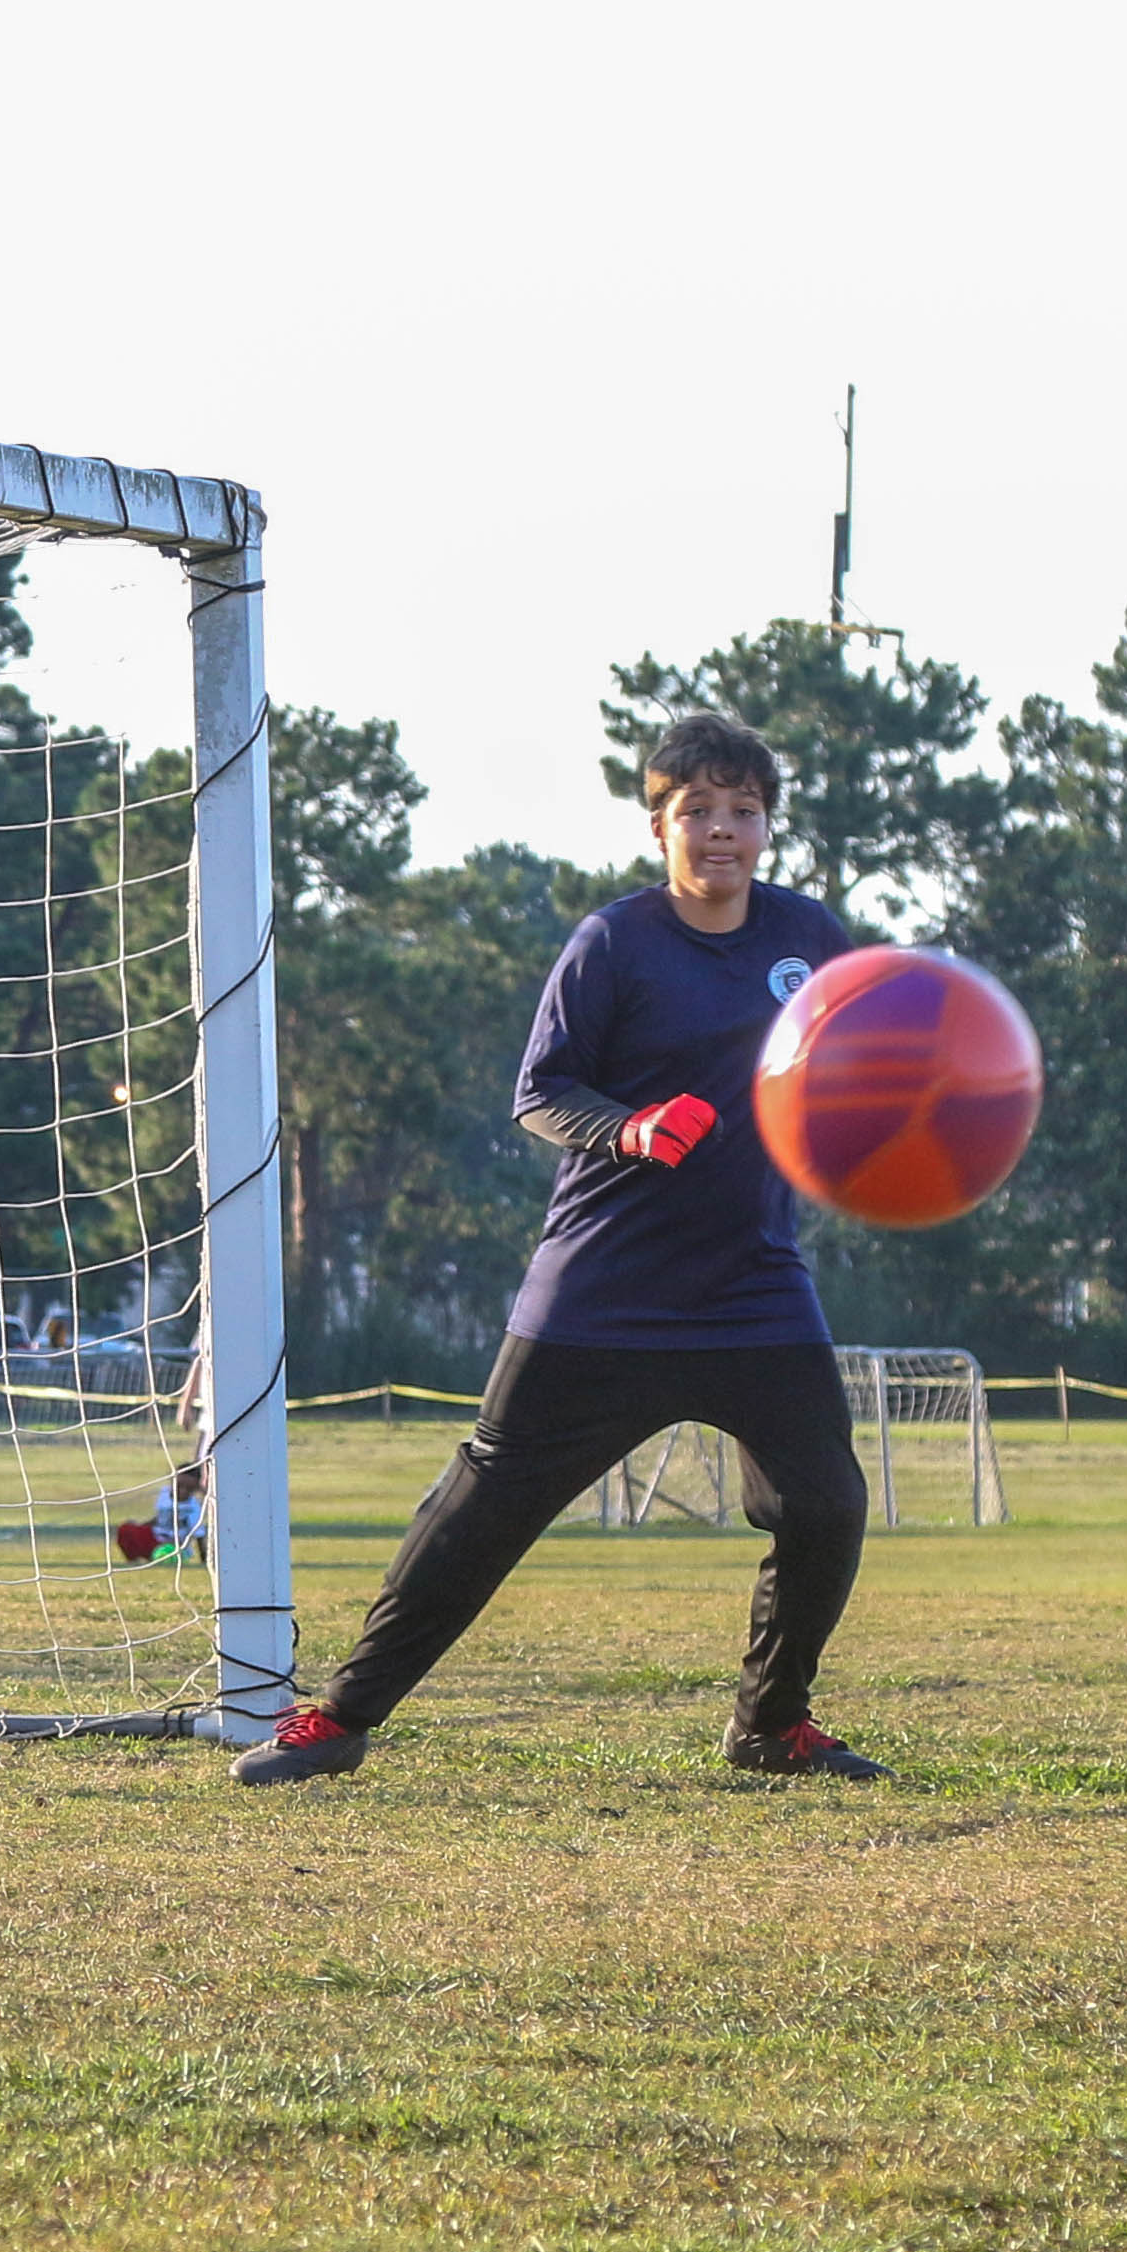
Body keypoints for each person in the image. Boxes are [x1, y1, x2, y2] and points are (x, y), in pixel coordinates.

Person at [234, 712, 882, 1788]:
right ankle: (339, 1718)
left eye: (743, 810)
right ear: (659, 824)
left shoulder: (809, 936)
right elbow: (540, 1092)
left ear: (768, 825)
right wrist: (630, 1128)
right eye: (697, 811)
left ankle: (772, 1725)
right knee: (486, 1505)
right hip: (602, 1292)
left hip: (754, 1287)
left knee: (826, 1502)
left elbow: (867, 1049)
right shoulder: (614, 942)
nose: (722, 830)